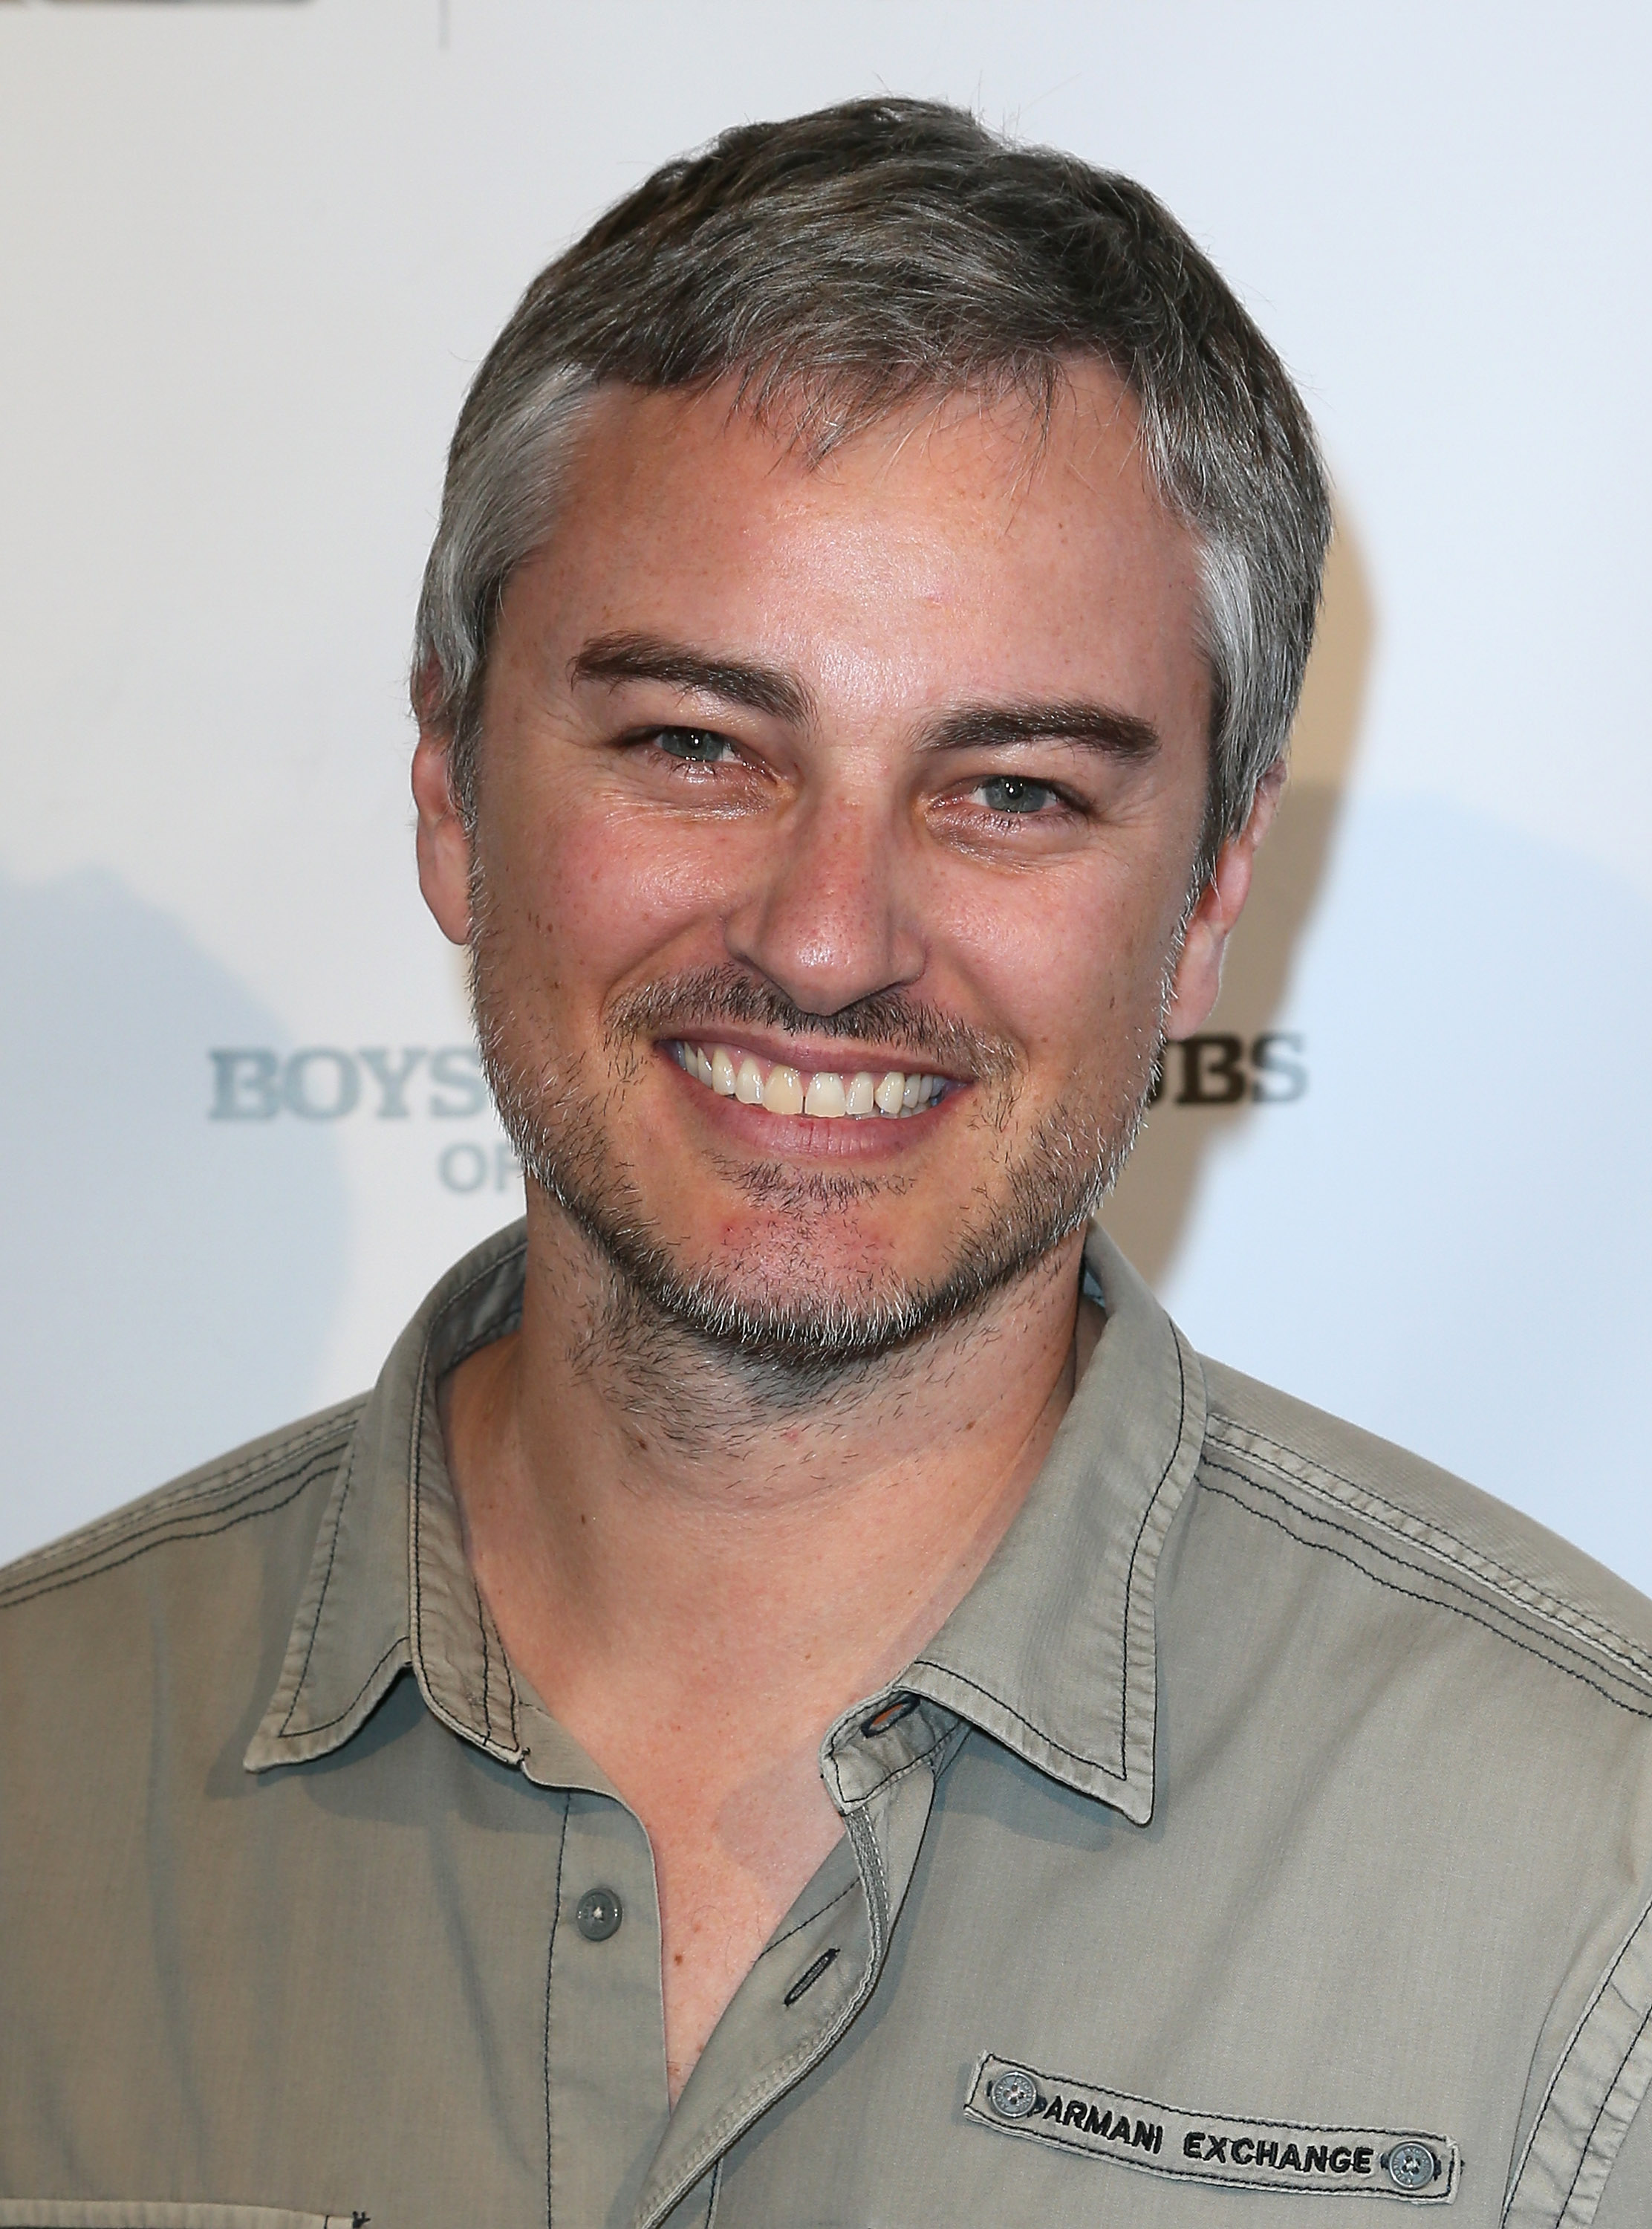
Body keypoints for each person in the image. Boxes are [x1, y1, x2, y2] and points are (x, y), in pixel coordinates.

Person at [3, 96, 1649, 2229]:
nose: (823, 938)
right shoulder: (34, 1781)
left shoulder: (1593, 1891)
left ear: (1213, 895)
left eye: (1017, 789)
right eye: (700, 746)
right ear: (448, 789)